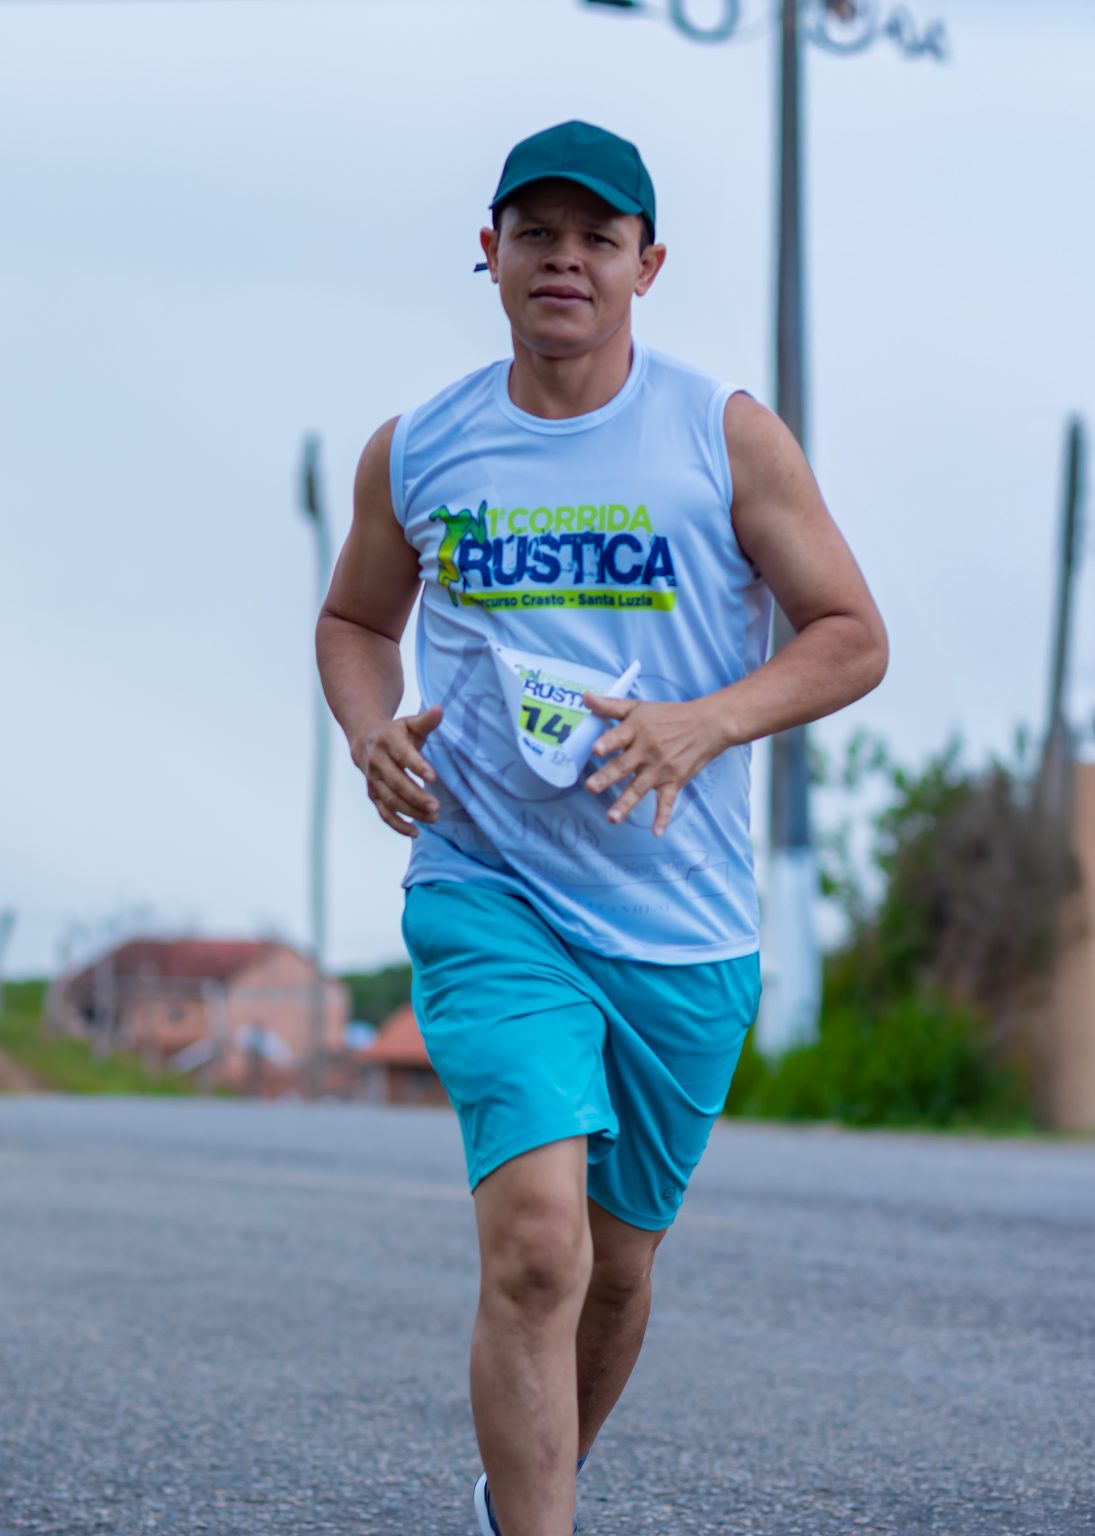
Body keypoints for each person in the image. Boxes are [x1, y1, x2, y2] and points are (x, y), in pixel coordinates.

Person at [316, 119, 888, 1536]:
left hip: (680, 925)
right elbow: (354, 622)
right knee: (535, 1250)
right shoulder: (422, 447)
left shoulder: (720, 435)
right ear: (491, 251)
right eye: (537, 233)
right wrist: (369, 727)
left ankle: (524, 1489)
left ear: (647, 264)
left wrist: (707, 721)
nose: (563, 259)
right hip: (489, 886)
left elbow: (849, 634)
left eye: (596, 238)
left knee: (616, 1274)